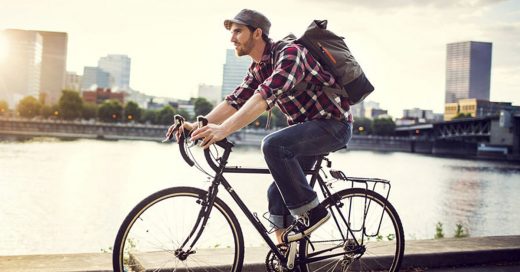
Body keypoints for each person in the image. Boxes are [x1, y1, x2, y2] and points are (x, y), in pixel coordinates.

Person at [169, 9, 353, 244]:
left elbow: (263, 98)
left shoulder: (290, 53)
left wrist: (223, 130)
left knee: (273, 145)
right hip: (306, 131)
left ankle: (314, 213)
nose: (231, 37)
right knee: (276, 195)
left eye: (238, 31)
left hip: (333, 126)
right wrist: (197, 125)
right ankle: (288, 257)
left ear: (257, 33)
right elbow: (235, 101)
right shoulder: (259, 68)